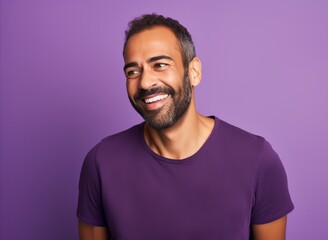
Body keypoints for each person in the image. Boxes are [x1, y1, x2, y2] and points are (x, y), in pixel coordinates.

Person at [77, 13, 294, 240]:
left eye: (160, 65)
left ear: (194, 72)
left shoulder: (257, 159)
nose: (144, 82)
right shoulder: (101, 162)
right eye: (133, 71)